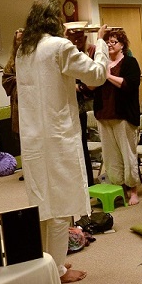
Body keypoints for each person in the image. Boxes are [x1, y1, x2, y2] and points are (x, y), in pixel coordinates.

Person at [15, 0, 108, 284]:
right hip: (57, 137)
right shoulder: (59, 46)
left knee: (42, 203)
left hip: (33, 138)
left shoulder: (24, 50)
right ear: (54, 20)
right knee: (59, 205)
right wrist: (100, 44)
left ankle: (47, 261)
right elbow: (98, 75)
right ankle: (56, 271)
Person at [92, 28, 141, 205]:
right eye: (107, 42)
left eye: (114, 42)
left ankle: (133, 190)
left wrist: (108, 76)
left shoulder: (129, 62)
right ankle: (118, 188)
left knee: (128, 155)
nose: (110, 45)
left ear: (122, 45)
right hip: (104, 115)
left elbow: (130, 85)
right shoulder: (101, 63)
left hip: (123, 116)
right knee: (110, 156)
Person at [65, 22, 97, 186]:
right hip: (66, 109)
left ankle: (88, 183)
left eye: (79, 38)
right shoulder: (65, 53)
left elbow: (91, 83)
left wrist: (76, 87)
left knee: (81, 146)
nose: (76, 41)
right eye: (73, 37)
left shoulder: (84, 54)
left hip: (79, 108)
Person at [2, 28, 24, 181]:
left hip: (33, 101)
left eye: (23, 39)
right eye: (18, 39)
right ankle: (27, 170)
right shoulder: (11, 61)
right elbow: (6, 79)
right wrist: (18, 79)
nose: (20, 42)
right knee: (22, 137)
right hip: (18, 103)